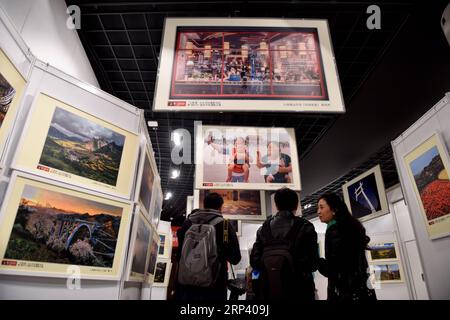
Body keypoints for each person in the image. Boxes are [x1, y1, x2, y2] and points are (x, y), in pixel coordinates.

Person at [250, 188, 319, 300]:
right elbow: (313, 264)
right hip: (299, 291)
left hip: (269, 291)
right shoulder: (305, 227)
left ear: (276, 206)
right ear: (296, 206)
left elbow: (255, 261)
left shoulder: (263, 229)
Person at [176, 193, 241, 301]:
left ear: (204, 205)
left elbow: (180, 254)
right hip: (214, 287)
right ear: (220, 207)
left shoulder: (188, 223)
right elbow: (235, 258)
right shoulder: (224, 225)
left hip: (187, 285)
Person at [317, 193, 376, 301]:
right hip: (361, 290)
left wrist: (317, 261)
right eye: (318, 208)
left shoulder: (335, 232)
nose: (318, 212)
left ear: (334, 210)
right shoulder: (348, 228)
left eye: (321, 207)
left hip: (345, 292)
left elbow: (334, 269)